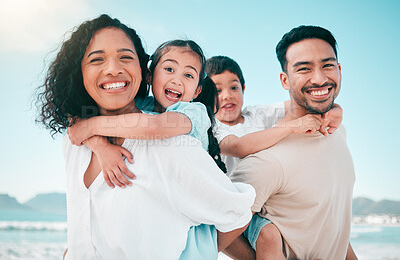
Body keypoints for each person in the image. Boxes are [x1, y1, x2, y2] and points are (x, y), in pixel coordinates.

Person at [36, 14, 255, 260]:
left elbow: (236, 215)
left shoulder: (172, 143)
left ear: (141, 70)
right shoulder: (74, 143)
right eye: (97, 59)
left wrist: (194, 253)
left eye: (125, 57)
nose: (113, 69)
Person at [229, 25, 358, 259]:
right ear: (285, 80)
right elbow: (218, 233)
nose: (319, 78)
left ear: (339, 70)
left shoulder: (338, 133)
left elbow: (330, 228)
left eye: (327, 65)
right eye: (304, 69)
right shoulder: (267, 161)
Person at [67, 40, 226, 188]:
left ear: (197, 91)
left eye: (188, 75)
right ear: (150, 76)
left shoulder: (194, 112)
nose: (177, 80)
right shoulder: (140, 104)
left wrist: (91, 127)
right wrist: (102, 148)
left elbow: (155, 127)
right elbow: (78, 122)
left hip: (194, 197)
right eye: (169, 69)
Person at [206, 56, 343, 176]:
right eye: (217, 90)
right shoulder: (212, 128)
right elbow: (238, 147)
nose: (227, 96)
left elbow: (304, 104)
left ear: (243, 89)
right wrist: (290, 127)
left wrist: (334, 108)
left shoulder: (255, 114)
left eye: (234, 88)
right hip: (236, 200)